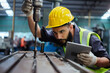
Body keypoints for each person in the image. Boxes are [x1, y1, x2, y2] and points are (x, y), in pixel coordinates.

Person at [21, 0, 110, 70]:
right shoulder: (60, 36)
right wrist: (29, 14)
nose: (58, 37)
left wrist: (95, 61)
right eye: (55, 32)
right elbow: (39, 34)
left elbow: (108, 61)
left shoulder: (90, 38)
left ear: (70, 27)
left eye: (61, 31)